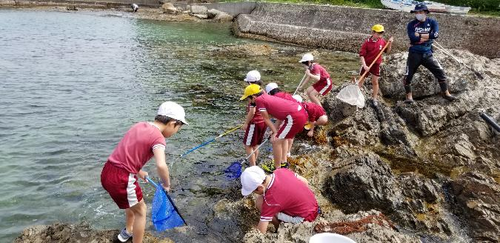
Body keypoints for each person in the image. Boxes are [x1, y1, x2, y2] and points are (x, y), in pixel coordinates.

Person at [101, 101, 187, 243]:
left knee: (131, 203)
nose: (176, 132)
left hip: (108, 170)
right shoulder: (158, 138)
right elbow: (161, 165)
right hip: (122, 177)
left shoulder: (139, 125)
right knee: (141, 211)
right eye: (178, 128)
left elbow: (126, 152)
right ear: (172, 123)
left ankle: (128, 231)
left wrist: (139, 171)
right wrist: (166, 184)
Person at [240, 84, 308, 170]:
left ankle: (277, 168)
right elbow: (278, 114)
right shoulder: (265, 96)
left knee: (275, 141)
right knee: (281, 139)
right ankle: (283, 163)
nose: (248, 102)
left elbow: (266, 119)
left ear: (253, 97)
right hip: (299, 112)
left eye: (248, 99)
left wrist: (275, 132)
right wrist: (274, 130)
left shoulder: (259, 101)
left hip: (294, 117)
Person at [240, 166, 319, 234]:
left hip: (305, 219)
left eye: (253, 191)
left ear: (260, 188)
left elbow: (261, 231)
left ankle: (278, 227)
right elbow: (305, 181)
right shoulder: (280, 171)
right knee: (264, 201)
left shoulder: (270, 201)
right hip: (314, 205)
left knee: (260, 203)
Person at [403, 3, 456, 103]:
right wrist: (428, 36)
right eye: (416, 12)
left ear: (425, 12)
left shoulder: (432, 22)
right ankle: (409, 96)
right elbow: (412, 37)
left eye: (421, 12)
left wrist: (420, 35)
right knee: (408, 75)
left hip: (427, 53)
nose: (418, 14)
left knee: (440, 72)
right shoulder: (411, 24)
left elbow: (435, 35)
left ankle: (446, 93)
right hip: (414, 53)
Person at [358, 24, 394, 107]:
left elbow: (387, 52)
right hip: (366, 64)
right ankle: (356, 95)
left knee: (375, 81)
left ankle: (374, 98)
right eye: (378, 33)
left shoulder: (382, 41)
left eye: (381, 33)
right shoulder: (367, 43)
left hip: (376, 64)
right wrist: (364, 66)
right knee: (361, 80)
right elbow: (362, 55)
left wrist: (390, 44)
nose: (380, 35)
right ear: (373, 33)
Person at [242, 70, 267, 166]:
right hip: (263, 122)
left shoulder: (253, 94)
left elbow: (252, 111)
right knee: (255, 145)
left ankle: (253, 167)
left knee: (248, 145)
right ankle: (254, 161)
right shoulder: (263, 91)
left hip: (255, 123)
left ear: (249, 82)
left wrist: (246, 123)